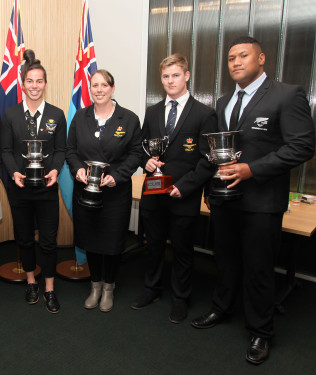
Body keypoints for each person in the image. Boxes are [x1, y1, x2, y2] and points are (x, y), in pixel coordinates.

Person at [191, 37, 315, 365]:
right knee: (226, 259)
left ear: (261, 58)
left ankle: (261, 331)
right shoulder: (224, 101)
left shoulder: (287, 95)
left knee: (259, 268)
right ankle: (222, 307)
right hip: (224, 199)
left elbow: (302, 146)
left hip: (262, 201)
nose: (235, 62)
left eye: (243, 55)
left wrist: (252, 169)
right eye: (231, 57)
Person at [131, 54, 217, 323]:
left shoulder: (205, 114)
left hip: (183, 195)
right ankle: (152, 289)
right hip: (154, 191)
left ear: (187, 76)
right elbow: (142, 146)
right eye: (166, 76)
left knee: (182, 250)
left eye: (176, 75)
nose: (170, 80)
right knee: (153, 245)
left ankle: (181, 298)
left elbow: (208, 159)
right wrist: (146, 161)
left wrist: (185, 186)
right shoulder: (153, 111)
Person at [66, 69, 142, 312]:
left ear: (112, 88)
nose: (98, 90)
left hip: (115, 192)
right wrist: (77, 169)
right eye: (94, 85)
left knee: (111, 241)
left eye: (103, 85)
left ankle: (109, 286)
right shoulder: (80, 117)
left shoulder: (128, 119)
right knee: (90, 239)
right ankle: (95, 285)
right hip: (85, 191)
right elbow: (70, 150)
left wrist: (116, 177)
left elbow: (136, 154)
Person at [1, 50, 66, 313]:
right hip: (20, 189)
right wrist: (14, 172)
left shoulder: (57, 114)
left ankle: (49, 288)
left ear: (45, 84)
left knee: (48, 241)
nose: (35, 86)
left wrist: (55, 170)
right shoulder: (11, 115)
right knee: (25, 239)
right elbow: (5, 150)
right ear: (22, 83)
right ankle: (31, 282)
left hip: (47, 188)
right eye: (30, 81)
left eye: (40, 81)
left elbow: (61, 149)